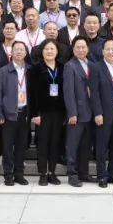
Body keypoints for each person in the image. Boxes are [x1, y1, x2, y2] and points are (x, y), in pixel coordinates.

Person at [0, 41, 32, 186]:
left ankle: (19, 174)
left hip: (24, 114)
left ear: (26, 53)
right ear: (11, 52)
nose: (19, 52)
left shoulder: (30, 70)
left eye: (22, 49)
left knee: (22, 146)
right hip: (8, 115)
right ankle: (8, 175)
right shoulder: (3, 71)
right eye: (16, 49)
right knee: (8, 147)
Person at [90, 40, 113, 188]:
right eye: (108, 49)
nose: (110, 52)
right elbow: (94, 92)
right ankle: (102, 176)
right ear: (103, 51)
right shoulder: (96, 67)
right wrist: (97, 113)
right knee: (102, 146)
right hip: (103, 113)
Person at [29, 40, 66, 185]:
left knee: (55, 143)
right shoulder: (36, 68)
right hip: (42, 113)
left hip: (59, 112)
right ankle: (43, 173)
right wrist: (35, 114)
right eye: (46, 49)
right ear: (42, 51)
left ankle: (52, 172)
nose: (49, 51)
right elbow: (32, 93)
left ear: (57, 51)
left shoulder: (62, 67)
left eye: (52, 49)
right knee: (43, 143)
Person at [63, 36, 96, 187]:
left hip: (91, 112)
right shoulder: (70, 66)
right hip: (77, 113)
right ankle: (72, 174)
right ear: (73, 49)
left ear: (87, 49)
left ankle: (84, 173)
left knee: (85, 146)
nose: (81, 50)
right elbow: (68, 91)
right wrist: (72, 113)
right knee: (73, 145)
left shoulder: (92, 64)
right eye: (78, 47)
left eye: (83, 47)